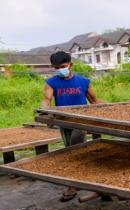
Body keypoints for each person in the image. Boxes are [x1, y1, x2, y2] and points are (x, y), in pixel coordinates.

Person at [43, 51, 104, 202]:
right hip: (63, 122)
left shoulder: (83, 81)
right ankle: (85, 180)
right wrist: (46, 111)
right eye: (56, 68)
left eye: (63, 66)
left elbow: (94, 101)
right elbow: (47, 99)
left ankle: (75, 185)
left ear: (71, 65)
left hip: (80, 121)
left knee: (75, 150)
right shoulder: (52, 82)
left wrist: (113, 109)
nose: (60, 70)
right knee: (69, 149)